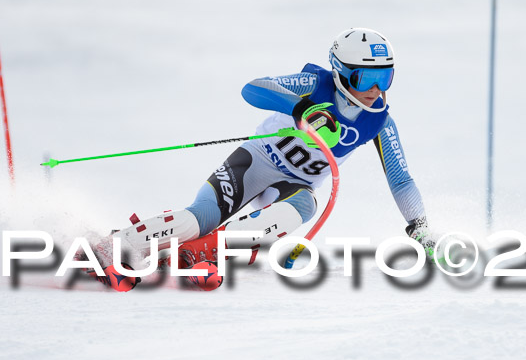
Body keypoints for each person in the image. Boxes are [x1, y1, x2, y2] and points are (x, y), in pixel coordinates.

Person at [93, 28, 436, 280]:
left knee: (304, 206)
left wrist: (419, 227)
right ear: (342, 73)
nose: (376, 90)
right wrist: (302, 109)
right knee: (201, 217)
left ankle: (202, 252)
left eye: (386, 76)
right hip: (253, 163)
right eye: (367, 78)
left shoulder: (379, 123)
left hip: (293, 186)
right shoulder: (315, 84)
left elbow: (401, 178)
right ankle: (114, 245)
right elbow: (254, 88)